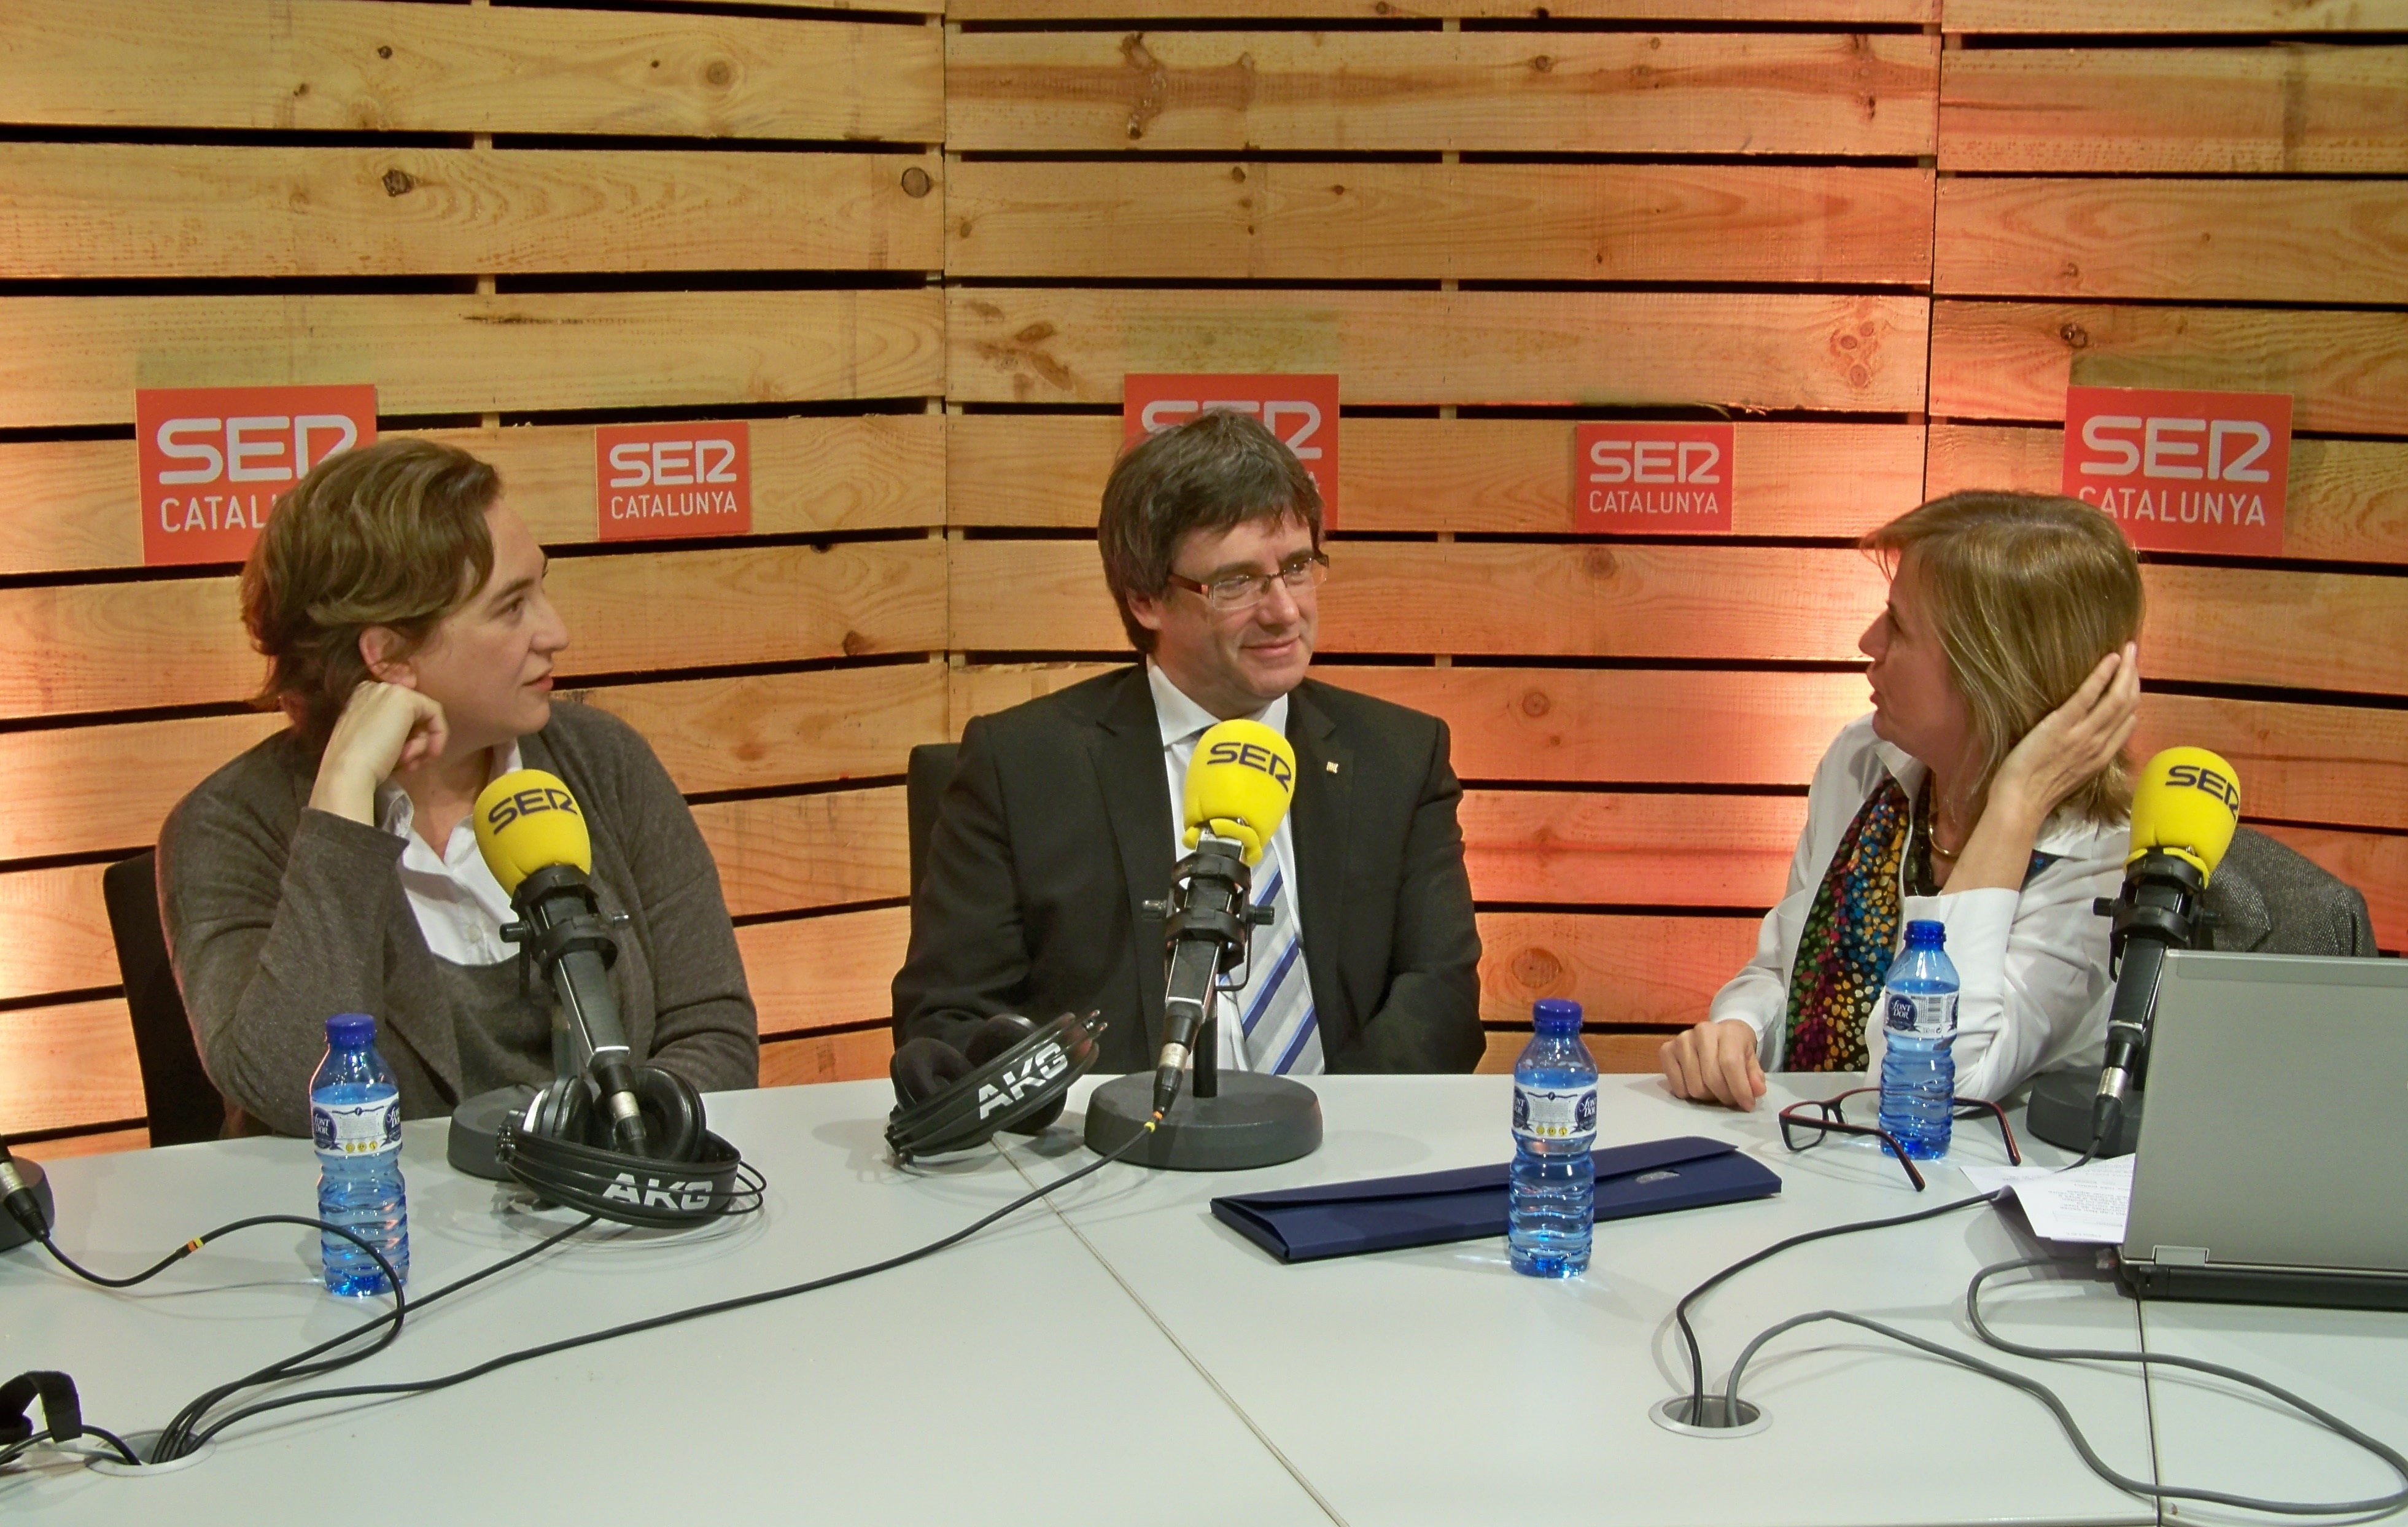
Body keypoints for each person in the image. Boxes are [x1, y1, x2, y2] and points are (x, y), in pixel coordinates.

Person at [158, 438, 758, 1137]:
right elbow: (295, 1092)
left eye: (540, 590)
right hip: (380, 1207)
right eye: (511, 607)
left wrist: (598, 1155)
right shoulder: (229, 825)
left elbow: (712, 1031)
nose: (556, 632)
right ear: (389, 654)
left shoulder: (605, 760)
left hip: (615, 1191)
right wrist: (345, 800)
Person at [893, 409, 1483, 1075]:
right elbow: (949, 1018)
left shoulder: (1400, 758)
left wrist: (1332, 1126)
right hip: (1109, 1135)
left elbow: (1441, 1002)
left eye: (1296, 567)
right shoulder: (1022, 768)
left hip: (1341, 1132)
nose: (1285, 610)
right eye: (1236, 582)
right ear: (1146, 599)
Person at [1662, 490, 2143, 1110]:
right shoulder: (1862, 762)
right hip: (1802, 1145)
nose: (1869, 641)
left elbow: (1936, 1081)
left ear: (1990, 672)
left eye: (1899, 626)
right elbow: (1786, 972)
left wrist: (2015, 804)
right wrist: (1739, 1028)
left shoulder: (2099, 858)